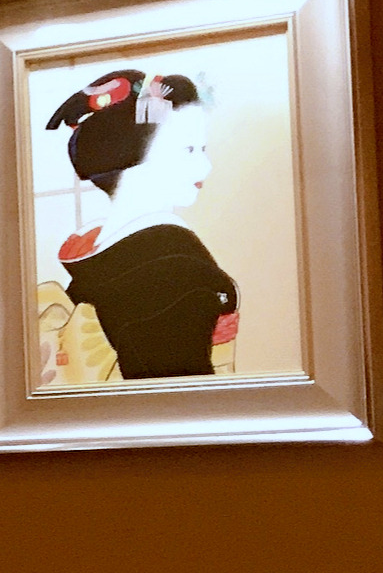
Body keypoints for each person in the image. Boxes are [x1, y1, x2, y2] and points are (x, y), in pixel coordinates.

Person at [42, 69, 237, 380]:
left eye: (203, 149)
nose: (206, 166)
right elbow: (176, 402)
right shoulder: (173, 271)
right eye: (188, 150)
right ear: (129, 159)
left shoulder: (96, 261)